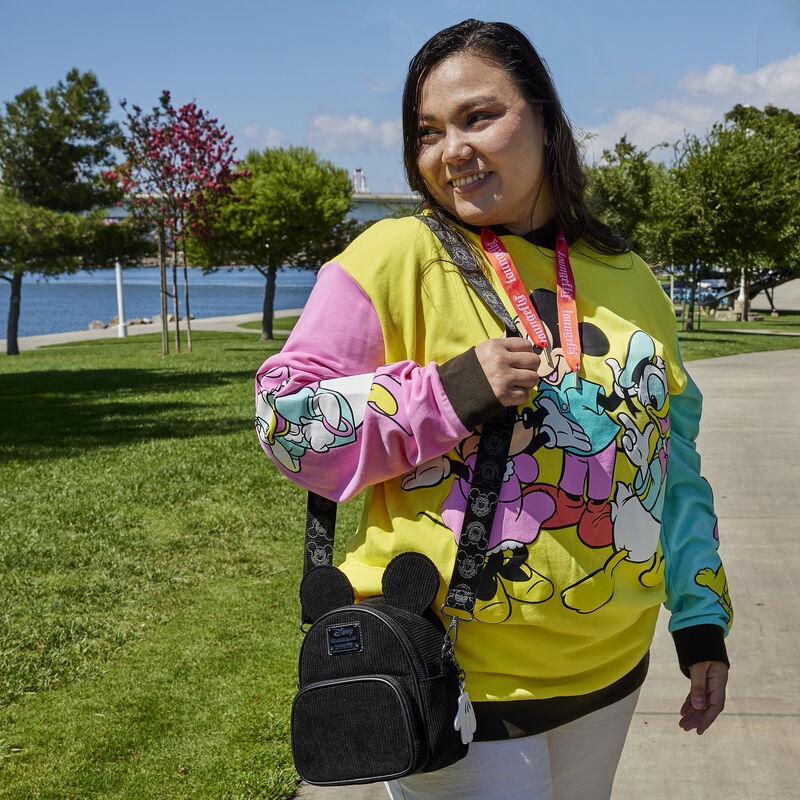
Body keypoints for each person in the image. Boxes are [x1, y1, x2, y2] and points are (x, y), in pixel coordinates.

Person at [254, 19, 731, 800]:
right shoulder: (394, 257)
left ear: (543, 117)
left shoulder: (629, 275)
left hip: (610, 674)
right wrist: (445, 394)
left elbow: (673, 466)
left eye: (479, 117)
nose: (451, 151)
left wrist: (701, 615)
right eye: (429, 132)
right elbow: (284, 421)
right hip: (457, 685)